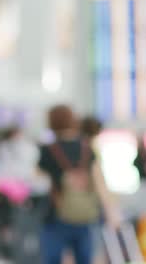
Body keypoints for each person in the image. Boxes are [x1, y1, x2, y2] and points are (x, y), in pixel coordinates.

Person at [38, 106, 120, 264]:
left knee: (52, 259)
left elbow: (37, 179)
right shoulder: (87, 148)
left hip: (56, 213)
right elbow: (100, 184)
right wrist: (111, 211)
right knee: (84, 259)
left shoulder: (48, 150)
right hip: (85, 214)